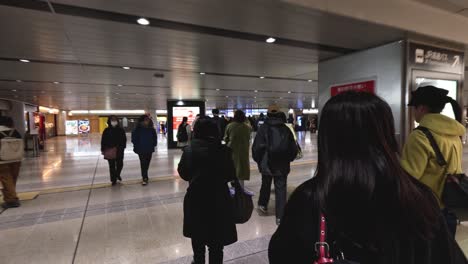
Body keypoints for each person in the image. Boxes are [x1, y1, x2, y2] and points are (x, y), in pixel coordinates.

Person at [269, 91, 467, 264]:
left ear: (328, 139)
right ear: (386, 135)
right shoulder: (418, 197)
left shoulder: (310, 198)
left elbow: (281, 254)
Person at [401, 86, 465, 236]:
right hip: (450, 207)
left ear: (422, 108)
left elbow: (409, 178)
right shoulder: (454, 133)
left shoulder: (420, 136)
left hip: (426, 210)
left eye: (414, 108)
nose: (414, 113)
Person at [178, 117, 237, 264]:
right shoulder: (223, 151)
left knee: (198, 243)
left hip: (196, 199)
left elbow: (184, 173)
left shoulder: (189, 150)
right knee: (216, 246)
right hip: (219, 200)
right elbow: (230, 175)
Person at [252, 105, 298, 225]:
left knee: (265, 184)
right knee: (281, 189)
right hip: (282, 164)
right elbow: (293, 148)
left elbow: (256, 148)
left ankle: (263, 204)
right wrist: (288, 159)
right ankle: (280, 217)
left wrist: (259, 161)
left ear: (267, 114)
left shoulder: (263, 128)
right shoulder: (286, 128)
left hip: (266, 163)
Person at [224, 110, 252, 188]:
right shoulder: (247, 127)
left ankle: (233, 188)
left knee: (233, 169)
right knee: (241, 170)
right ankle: (241, 189)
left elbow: (226, 138)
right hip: (243, 151)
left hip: (232, 151)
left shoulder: (230, 126)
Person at [0, 116, 22, 209]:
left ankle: (12, 200)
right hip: (16, 159)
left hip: (2, 160)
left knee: (6, 179)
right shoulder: (15, 132)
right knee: (12, 179)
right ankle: (9, 197)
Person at [101, 115, 127, 185]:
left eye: (115, 120)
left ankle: (117, 174)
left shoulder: (121, 130)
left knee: (120, 164)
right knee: (112, 165)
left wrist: (123, 147)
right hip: (110, 150)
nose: (114, 121)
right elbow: (103, 140)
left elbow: (124, 139)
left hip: (119, 150)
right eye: (112, 120)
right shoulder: (106, 130)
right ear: (109, 121)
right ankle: (113, 179)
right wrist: (103, 149)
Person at [132, 115, 157, 186]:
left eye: (148, 120)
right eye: (145, 120)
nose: (146, 121)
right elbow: (134, 138)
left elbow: (154, 137)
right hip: (141, 149)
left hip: (149, 149)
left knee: (147, 163)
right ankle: (144, 177)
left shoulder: (151, 129)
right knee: (143, 163)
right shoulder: (137, 129)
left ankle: (145, 174)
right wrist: (136, 145)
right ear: (141, 121)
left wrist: (154, 144)